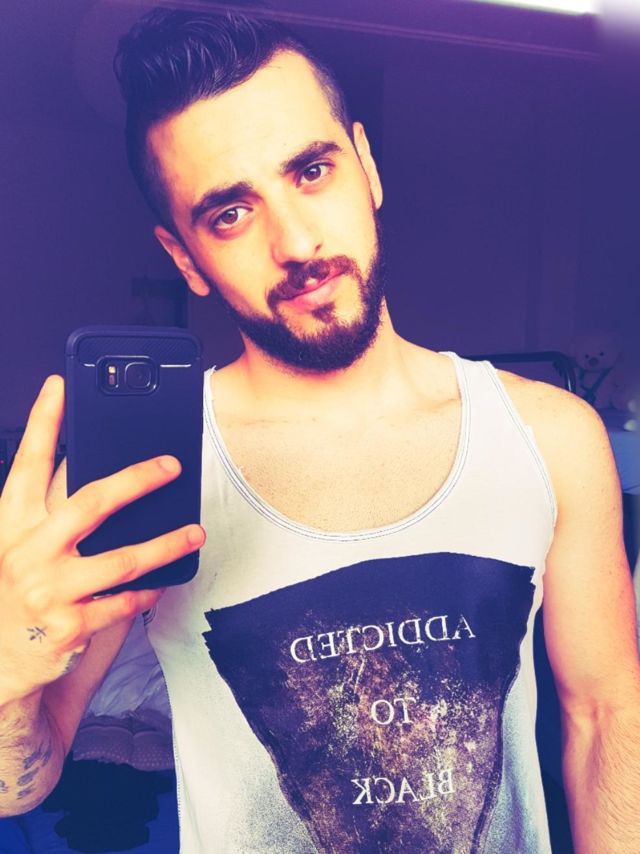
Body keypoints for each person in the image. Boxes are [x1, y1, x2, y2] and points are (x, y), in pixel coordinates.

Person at [1, 8, 639, 853]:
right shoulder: (148, 473)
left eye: (310, 170)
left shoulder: (552, 436)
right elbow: (25, 780)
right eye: (230, 214)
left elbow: (606, 717)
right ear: (185, 257)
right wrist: (9, 661)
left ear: (365, 166)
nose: (296, 242)